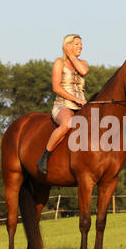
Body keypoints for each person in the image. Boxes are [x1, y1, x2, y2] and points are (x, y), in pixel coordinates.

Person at [37, 34, 89, 175]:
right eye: (76, 44)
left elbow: (83, 71)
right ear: (68, 46)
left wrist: (72, 56)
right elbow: (56, 88)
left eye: (81, 44)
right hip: (63, 105)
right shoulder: (59, 63)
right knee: (67, 124)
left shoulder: (82, 63)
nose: (81, 47)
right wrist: (75, 99)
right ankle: (45, 155)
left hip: (81, 106)